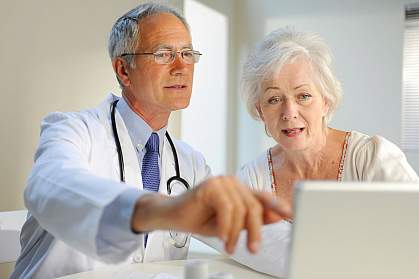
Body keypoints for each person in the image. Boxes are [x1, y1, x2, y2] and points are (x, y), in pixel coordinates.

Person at [10, 4, 290, 279]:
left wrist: (314, 251)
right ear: (123, 70)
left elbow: (255, 238)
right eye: (163, 54)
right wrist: (162, 210)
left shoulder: (190, 163)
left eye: (187, 53)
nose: (181, 66)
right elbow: (49, 185)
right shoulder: (74, 130)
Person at [227, 27, 419, 278]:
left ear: (325, 102)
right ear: (261, 111)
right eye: (274, 99)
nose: (289, 112)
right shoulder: (252, 178)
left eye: (303, 96)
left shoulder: (372, 158)